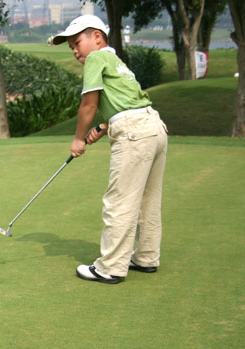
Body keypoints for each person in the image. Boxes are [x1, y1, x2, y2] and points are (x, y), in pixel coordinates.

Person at [48, 15, 168, 285]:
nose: (75, 50)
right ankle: (146, 257)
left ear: (97, 37)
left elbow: (89, 104)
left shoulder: (95, 58)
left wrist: (78, 139)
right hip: (154, 127)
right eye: (71, 47)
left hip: (135, 133)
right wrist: (104, 126)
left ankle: (110, 267)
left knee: (120, 200)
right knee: (148, 200)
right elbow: (128, 100)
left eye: (77, 42)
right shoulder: (116, 61)